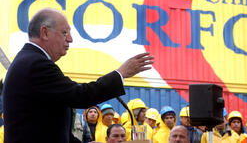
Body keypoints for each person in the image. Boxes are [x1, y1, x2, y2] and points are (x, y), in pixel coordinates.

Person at [2, 8, 154, 143]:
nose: (70, 39)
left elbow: (51, 131)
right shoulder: (36, 64)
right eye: (65, 32)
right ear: (45, 32)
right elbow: (80, 95)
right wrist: (120, 74)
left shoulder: (29, 60)